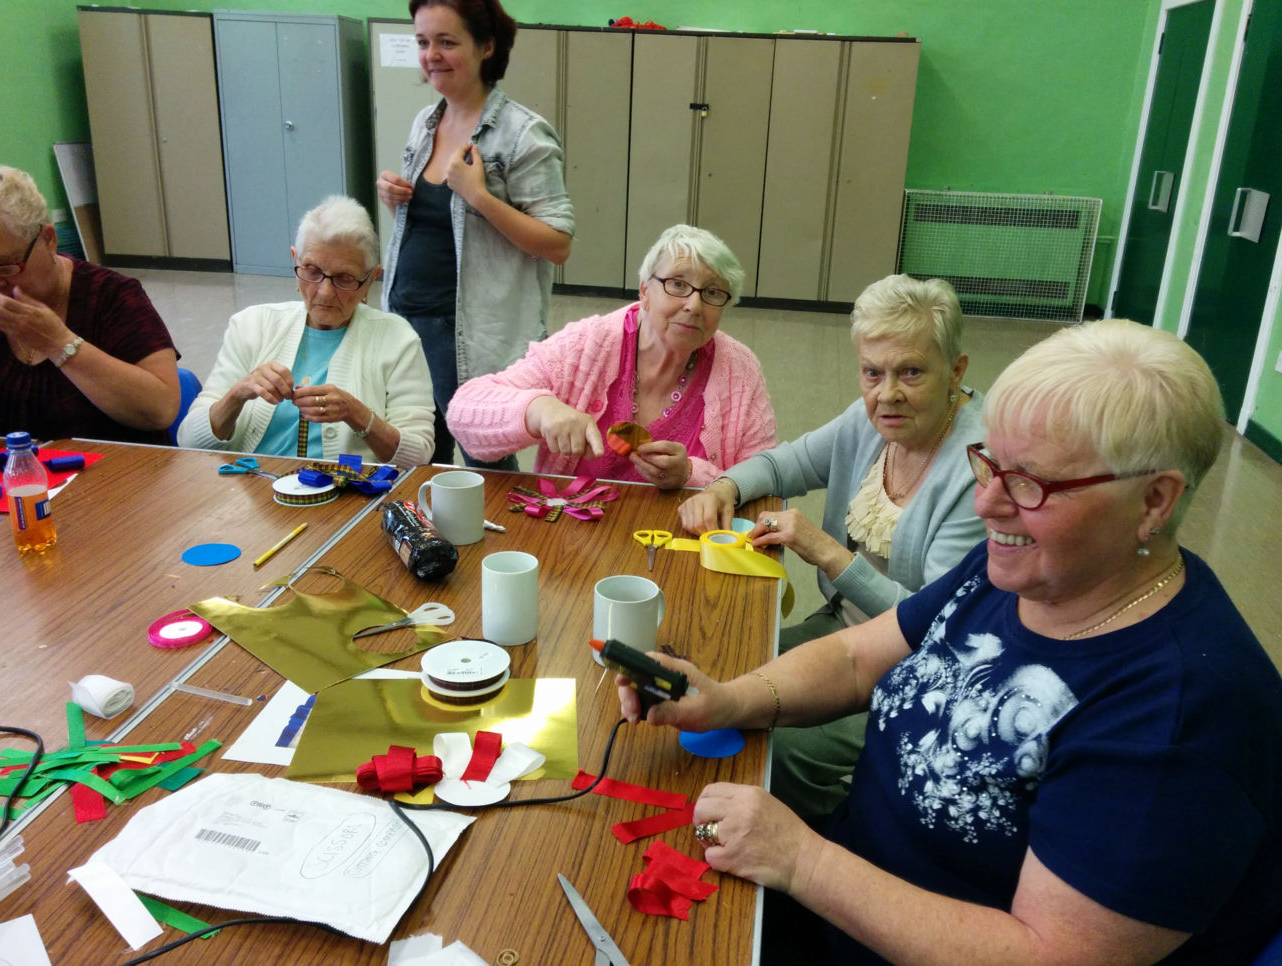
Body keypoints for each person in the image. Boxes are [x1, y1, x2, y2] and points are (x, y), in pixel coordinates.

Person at [623, 318, 1282, 965]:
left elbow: (1050, 955)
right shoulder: (1032, 571)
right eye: (990, 463)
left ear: (1154, 501)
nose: (986, 503)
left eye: (1031, 483)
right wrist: (729, 700)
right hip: (853, 896)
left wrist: (803, 860)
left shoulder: (1180, 716)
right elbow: (857, 657)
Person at [678, 273, 985, 820]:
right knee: (729, 667)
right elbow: (783, 462)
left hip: (919, 668)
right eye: (872, 373)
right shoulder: (870, 421)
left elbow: (933, 625)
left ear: (956, 371)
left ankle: (830, 845)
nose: (886, 393)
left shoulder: (976, 468)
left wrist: (827, 553)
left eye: (911, 372)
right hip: (840, 628)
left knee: (787, 747)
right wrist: (722, 486)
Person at [377, 0, 574, 468]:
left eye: (447, 42)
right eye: (423, 42)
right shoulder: (426, 123)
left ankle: (500, 542)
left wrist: (479, 196)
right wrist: (394, 198)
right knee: (419, 450)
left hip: (464, 329)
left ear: (487, 47)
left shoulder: (523, 134)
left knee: (483, 459)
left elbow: (558, 242)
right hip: (406, 317)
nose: (432, 55)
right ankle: (430, 538)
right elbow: (435, 225)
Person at [446, 224, 776, 489]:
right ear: (645, 292)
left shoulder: (739, 370)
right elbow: (464, 414)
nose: (694, 305)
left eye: (713, 293)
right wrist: (540, 410)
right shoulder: (587, 345)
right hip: (572, 537)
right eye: (678, 284)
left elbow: (765, 480)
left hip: (683, 548)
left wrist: (691, 475)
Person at [178, 196, 434, 468]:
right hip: (251, 490)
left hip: (349, 496)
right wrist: (237, 394)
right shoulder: (251, 326)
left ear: (370, 279)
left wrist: (357, 414)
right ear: (295, 260)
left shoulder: (397, 339)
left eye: (344, 278)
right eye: (311, 272)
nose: (324, 291)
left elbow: (418, 455)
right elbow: (190, 441)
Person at [0, 164, 180, 444]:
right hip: (21, 480)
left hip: (122, 477)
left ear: (48, 240)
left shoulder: (111, 296)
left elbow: (161, 409)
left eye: (5, 267)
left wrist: (58, 342)